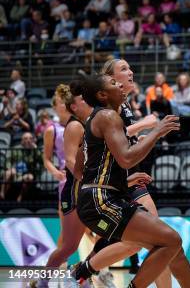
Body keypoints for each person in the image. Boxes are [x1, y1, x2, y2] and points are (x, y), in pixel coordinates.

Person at [73, 74, 190, 288]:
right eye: (113, 83)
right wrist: (156, 132)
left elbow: (82, 169)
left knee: (174, 249)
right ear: (102, 95)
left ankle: (84, 270)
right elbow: (126, 157)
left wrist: (122, 181)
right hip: (102, 200)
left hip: (104, 195)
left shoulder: (100, 118)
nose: (120, 84)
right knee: (171, 240)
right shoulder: (108, 116)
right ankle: (89, 272)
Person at [33, 84, 115, 288]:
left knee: (106, 233)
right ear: (74, 106)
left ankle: (83, 273)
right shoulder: (74, 126)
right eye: (84, 100)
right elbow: (70, 161)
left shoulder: (86, 123)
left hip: (88, 190)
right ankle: (45, 280)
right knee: (69, 245)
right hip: (75, 190)